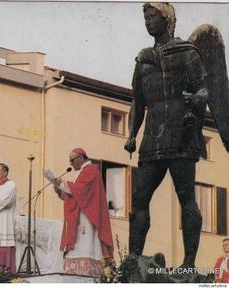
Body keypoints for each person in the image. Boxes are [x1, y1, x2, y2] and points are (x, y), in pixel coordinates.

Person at [124, 3, 208, 268]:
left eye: (152, 17)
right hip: (152, 137)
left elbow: (203, 91)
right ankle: (134, 259)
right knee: (139, 198)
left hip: (181, 133)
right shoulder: (143, 60)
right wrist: (131, 133)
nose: (148, 22)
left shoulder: (187, 53)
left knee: (186, 197)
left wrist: (195, 100)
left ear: (167, 20)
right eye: (145, 18)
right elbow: (138, 102)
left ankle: (189, 263)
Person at [52, 148, 114, 277]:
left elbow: (80, 190)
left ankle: (86, 272)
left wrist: (62, 184)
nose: (70, 163)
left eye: (72, 160)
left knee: (85, 243)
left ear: (80, 158)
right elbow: (75, 195)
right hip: (82, 214)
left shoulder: (91, 170)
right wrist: (60, 190)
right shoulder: (83, 172)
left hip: (88, 216)